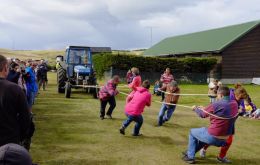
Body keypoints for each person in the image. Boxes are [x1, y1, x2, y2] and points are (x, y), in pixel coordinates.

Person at [182, 86, 239, 164]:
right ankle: (190, 151)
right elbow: (221, 112)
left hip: (214, 137)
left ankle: (190, 157)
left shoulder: (216, 104)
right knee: (203, 136)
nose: (217, 96)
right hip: (225, 140)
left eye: (218, 95)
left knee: (192, 132)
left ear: (221, 95)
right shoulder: (234, 103)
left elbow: (202, 115)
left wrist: (195, 109)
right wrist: (205, 108)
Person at [199, 86, 248, 163]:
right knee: (213, 138)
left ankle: (221, 157)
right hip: (221, 123)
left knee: (228, 141)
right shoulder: (229, 98)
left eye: (242, 99)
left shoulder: (239, 99)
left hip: (230, 123)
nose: (241, 100)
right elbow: (217, 107)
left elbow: (243, 110)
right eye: (240, 98)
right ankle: (204, 149)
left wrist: (241, 111)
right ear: (236, 95)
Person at [0, 55, 31, 147]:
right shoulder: (15, 89)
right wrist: (20, 137)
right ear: (5, 68)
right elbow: (25, 118)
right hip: (8, 141)